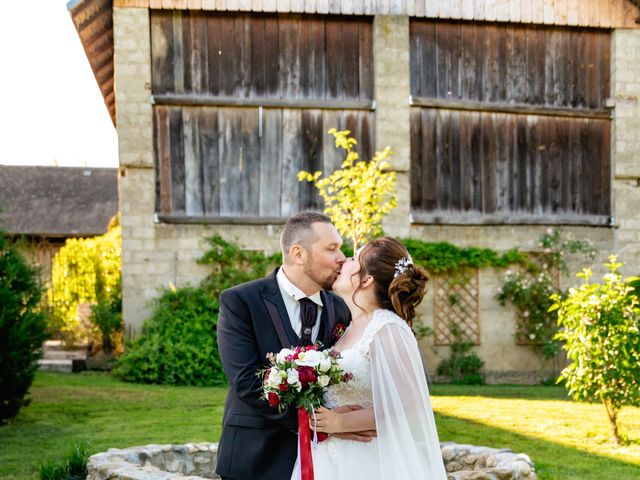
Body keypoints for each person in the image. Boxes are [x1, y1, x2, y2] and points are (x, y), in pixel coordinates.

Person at [215, 212, 373, 480]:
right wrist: (324, 423)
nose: (342, 257)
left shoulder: (342, 308)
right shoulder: (241, 301)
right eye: (331, 248)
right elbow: (245, 381)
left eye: (341, 248)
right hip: (254, 458)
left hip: (329, 461)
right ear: (298, 254)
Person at [302, 236, 447, 480]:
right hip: (329, 458)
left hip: (368, 461)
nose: (342, 261)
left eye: (352, 259)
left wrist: (340, 424)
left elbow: (409, 406)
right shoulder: (350, 327)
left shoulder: (387, 328)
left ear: (367, 279)